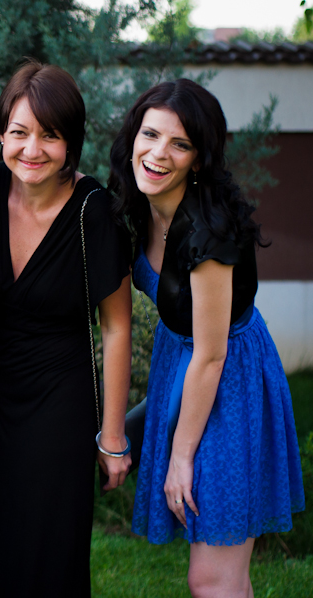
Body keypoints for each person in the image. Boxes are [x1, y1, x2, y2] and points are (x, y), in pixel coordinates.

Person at [109, 79, 304, 597]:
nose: (158, 153)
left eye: (179, 143)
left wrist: (180, 455)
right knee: (224, 581)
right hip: (184, 367)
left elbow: (212, 353)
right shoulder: (137, 206)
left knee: (212, 579)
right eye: (150, 135)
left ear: (199, 159)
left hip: (227, 380)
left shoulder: (210, 232)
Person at [0, 60, 133, 597]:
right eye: (18, 132)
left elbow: (114, 329)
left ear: (72, 141)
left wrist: (112, 438)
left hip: (62, 400)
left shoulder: (95, 211)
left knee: (51, 547)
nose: (32, 149)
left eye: (50, 135)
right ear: (1, 135)